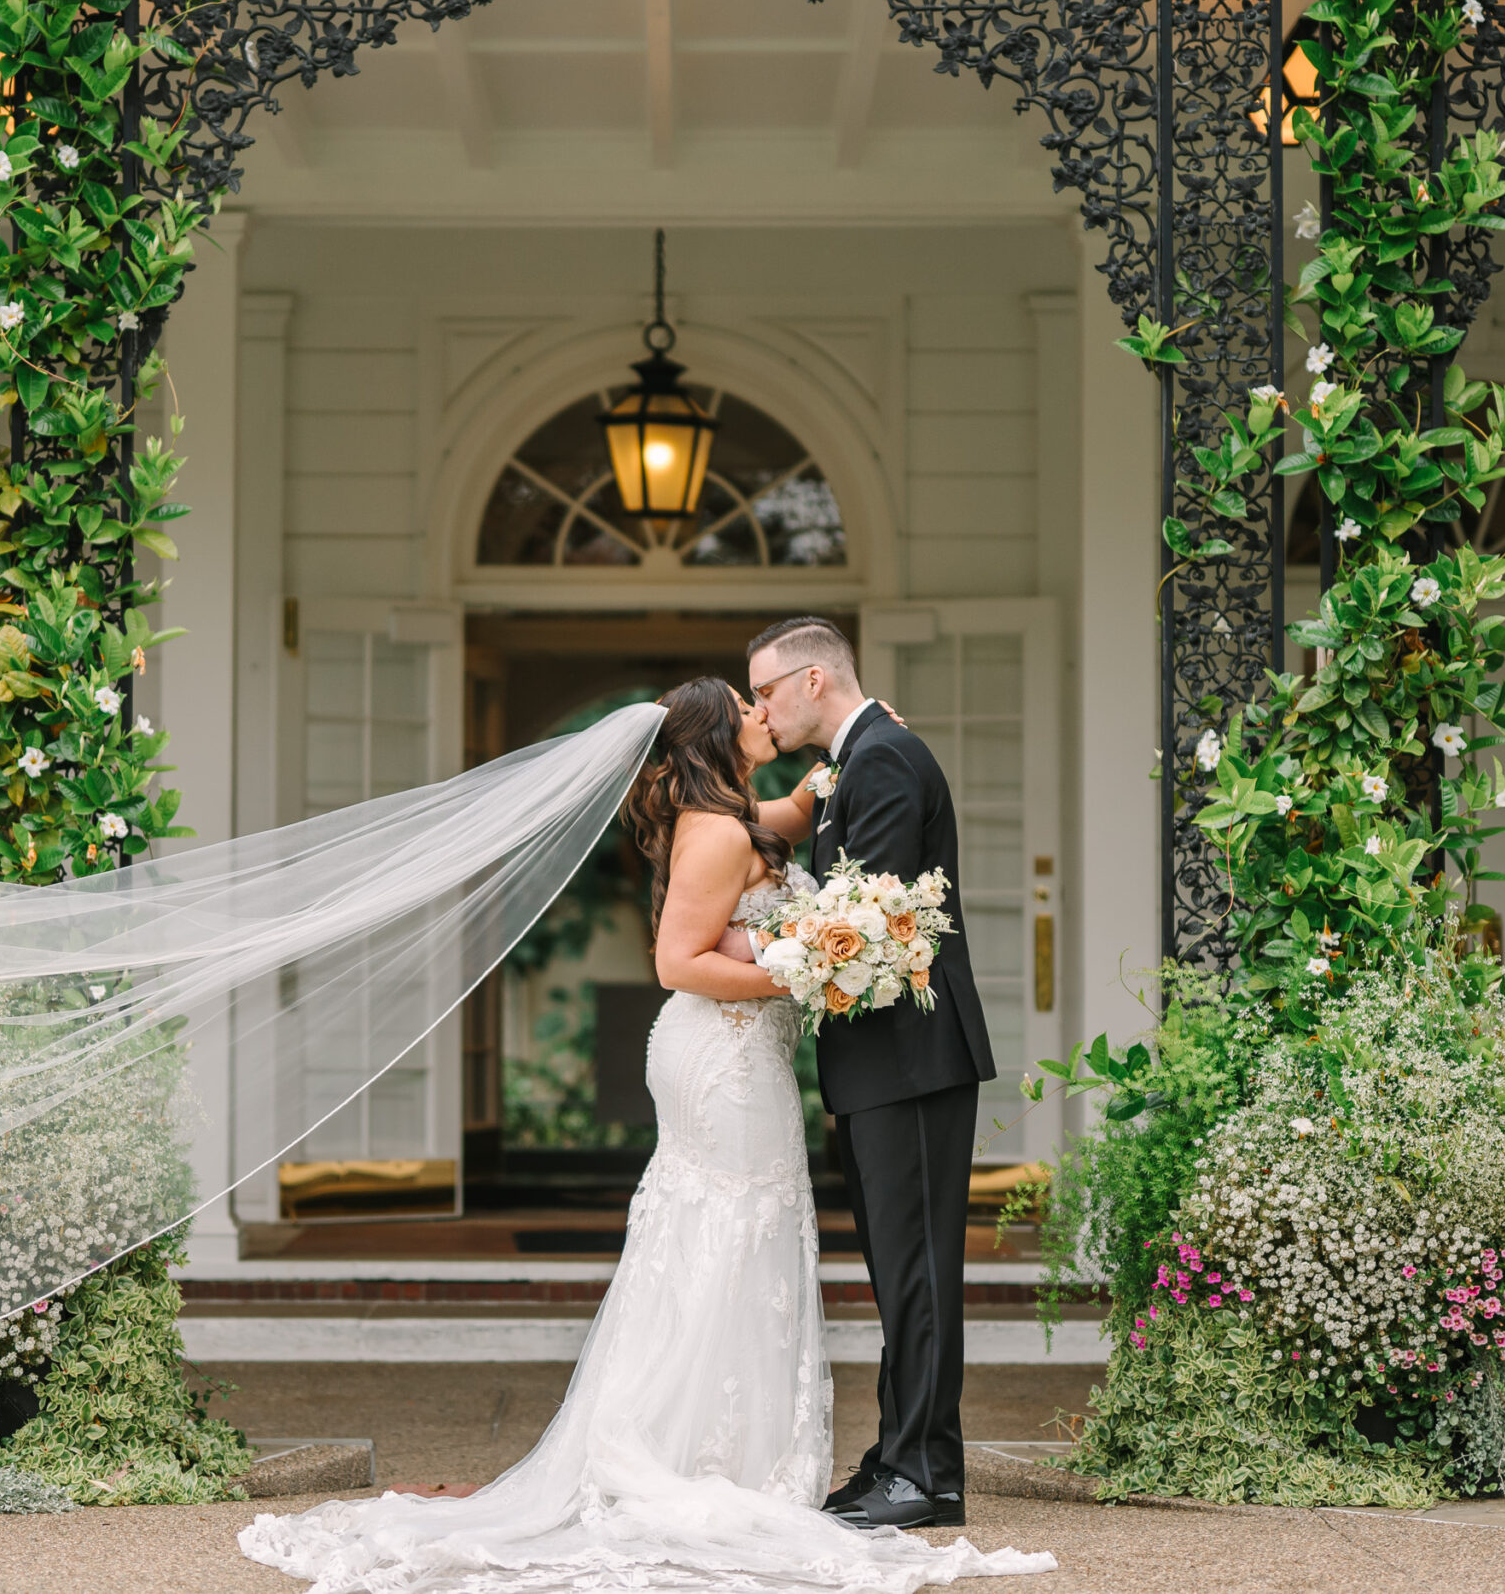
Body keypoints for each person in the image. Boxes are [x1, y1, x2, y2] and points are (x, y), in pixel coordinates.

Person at [236, 678, 1052, 1593]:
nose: (760, 713)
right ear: (717, 735)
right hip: (724, 1059)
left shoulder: (737, 812)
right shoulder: (712, 829)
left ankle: (724, 1446)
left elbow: (799, 808)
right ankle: (687, 1455)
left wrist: (852, 756)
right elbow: (677, 962)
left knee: (735, 1234)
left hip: (747, 1056)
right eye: (746, 706)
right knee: (726, 1230)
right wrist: (799, 972)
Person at [744, 616, 997, 1533]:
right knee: (900, 1271)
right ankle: (904, 1455)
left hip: (912, 1062)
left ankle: (924, 1471)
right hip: (882, 1064)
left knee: (920, 1269)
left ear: (814, 680)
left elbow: (870, 910)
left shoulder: (885, 757)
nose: (762, 707)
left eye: (766, 689)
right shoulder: (862, 758)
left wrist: (754, 947)